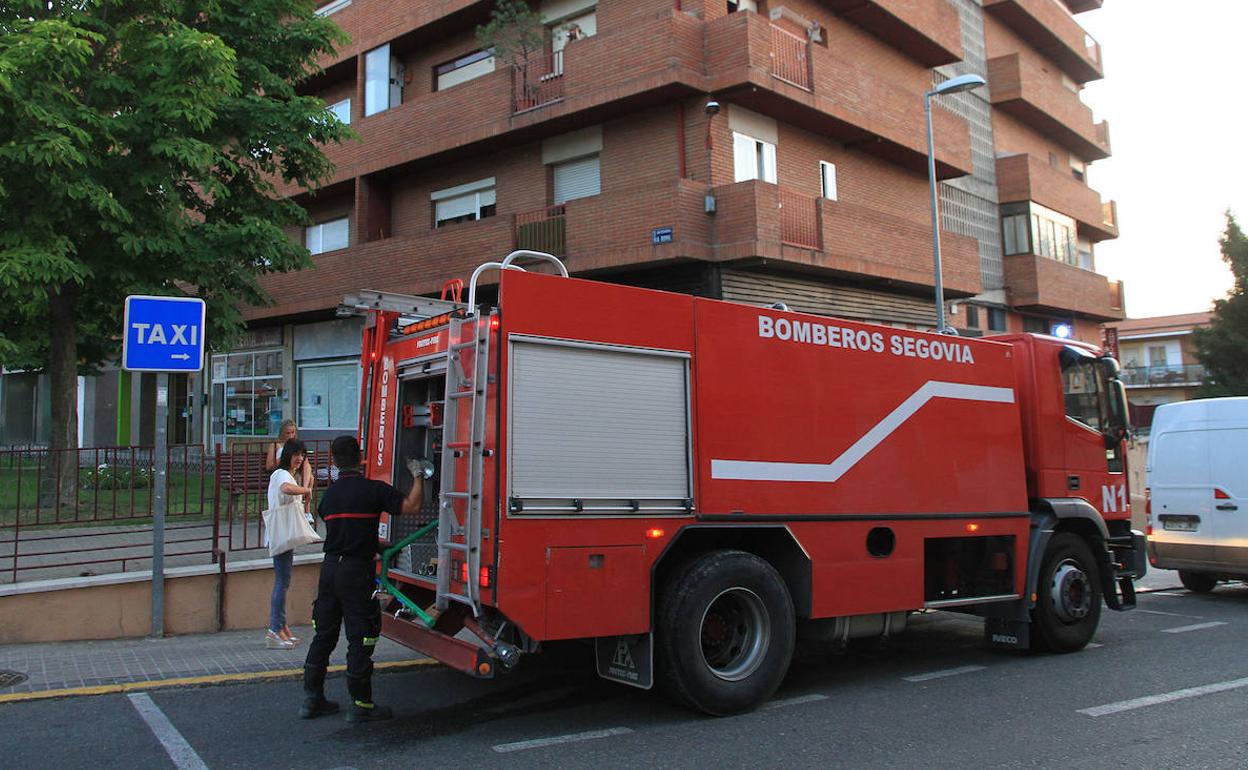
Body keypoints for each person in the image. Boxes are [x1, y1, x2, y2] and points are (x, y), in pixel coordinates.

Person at [300, 435, 424, 723]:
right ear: (361, 458)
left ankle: (311, 700)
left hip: (329, 570)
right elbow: (413, 506)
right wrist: (419, 475)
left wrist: (370, 542)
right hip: (356, 573)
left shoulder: (328, 497)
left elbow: (344, 529)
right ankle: (361, 705)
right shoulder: (373, 490)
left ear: (333, 460)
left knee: (324, 635)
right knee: (361, 637)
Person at [266, 439, 313, 649]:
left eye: (302, 455)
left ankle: (281, 627)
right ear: (288, 455)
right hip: (282, 534)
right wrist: (305, 490)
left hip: (283, 533)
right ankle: (275, 629)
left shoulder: (286, 474)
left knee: (283, 582)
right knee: (282, 583)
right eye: (296, 454)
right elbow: (286, 489)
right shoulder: (282, 475)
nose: (299, 459)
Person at [267, 420, 314, 512]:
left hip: (296, 470)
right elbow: (269, 465)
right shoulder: (276, 445)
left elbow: (304, 462)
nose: (290, 435)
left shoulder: (297, 445)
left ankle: (305, 498)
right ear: (282, 434)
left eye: (292, 433)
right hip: (283, 468)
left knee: (308, 469)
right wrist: (285, 455)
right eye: (287, 433)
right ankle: (304, 493)